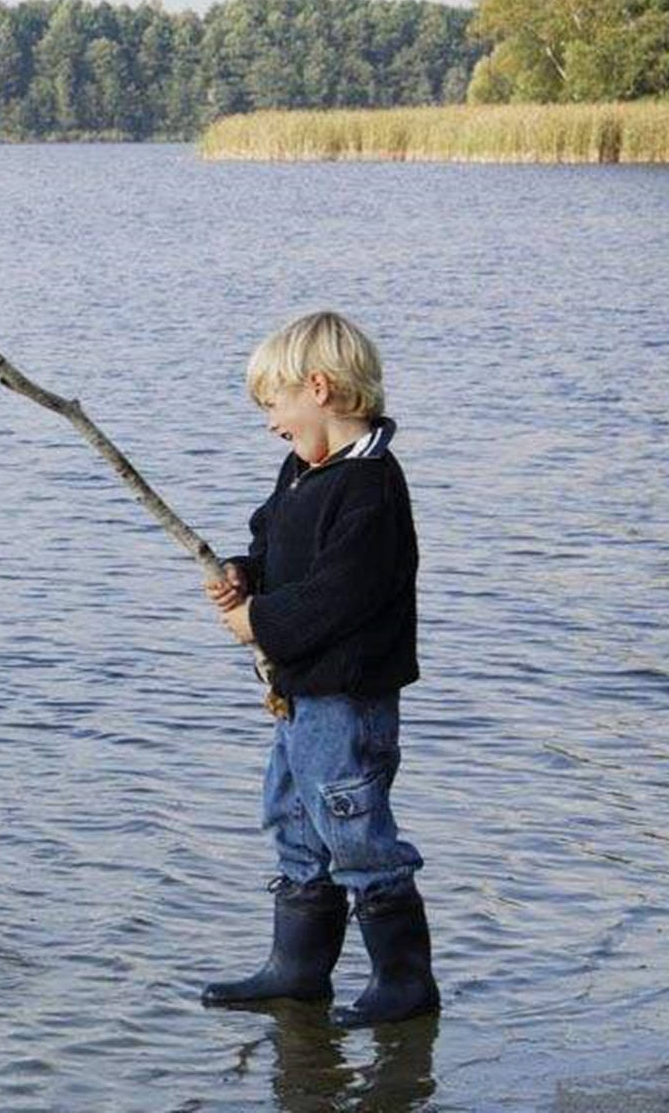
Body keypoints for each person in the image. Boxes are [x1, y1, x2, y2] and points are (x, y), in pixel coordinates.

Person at [200, 310, 440, 1028]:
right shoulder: (303, 473)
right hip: (300, 692)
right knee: (293, 818)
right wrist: (245, 576)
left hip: (348, 695)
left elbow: (340, 595)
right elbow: (272, 545)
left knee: (353, 828)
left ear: (319, 388)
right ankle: (299, 971)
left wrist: (261, 623)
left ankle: (405, 982)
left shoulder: (371, 488)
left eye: (273, 405)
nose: (270, 423)